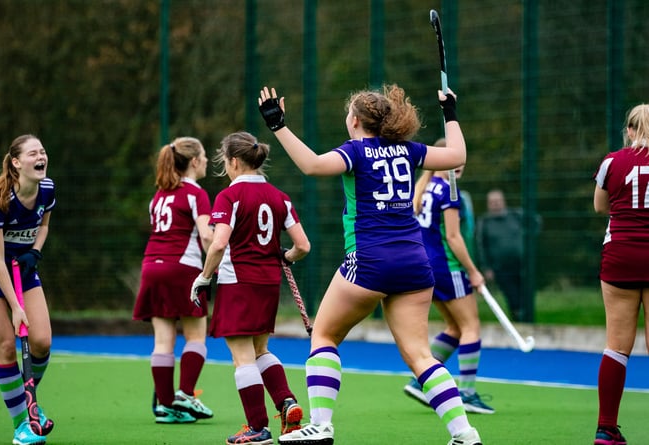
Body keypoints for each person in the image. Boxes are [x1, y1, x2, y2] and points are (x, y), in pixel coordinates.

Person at [258, 84, 483, 445]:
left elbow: (313, 166)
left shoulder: (356, 152)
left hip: (370, 262)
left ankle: (321, 426)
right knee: (421, 355)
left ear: (356, 120)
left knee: (325, 336)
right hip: (414, 265)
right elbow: (456, 155)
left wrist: (278, 126)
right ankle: (465, 434)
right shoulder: (409, 151)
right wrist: (451, 112)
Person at [189, 131, 311, 445]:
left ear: (233, 161)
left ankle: (257, 428)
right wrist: (285, 256)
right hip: (269, 283)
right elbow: (303, 246)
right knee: (261, 350)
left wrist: (204, 277)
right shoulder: (280, 196)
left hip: (237, 282)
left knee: (243, 358)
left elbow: (218, 243)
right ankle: (286, 402)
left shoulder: (228, 196)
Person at [403, 139, 494, 415]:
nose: (461, 163)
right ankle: (466, 392)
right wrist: (474, 272)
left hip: (424, 266)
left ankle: (421, 382)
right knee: (471, 328)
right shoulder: (450, 191)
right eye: (455, 156)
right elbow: (453, 238)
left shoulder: (424, 188)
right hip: (447, 267)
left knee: (454, 327)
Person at [132, 137, 215, 424]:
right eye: (203, 156)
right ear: (194, 162)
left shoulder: (159, 194)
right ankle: (186, 394)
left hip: (151, 267)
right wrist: (218, 263)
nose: (206, 160)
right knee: (195, 337)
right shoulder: (196, 193)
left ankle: (167, 406)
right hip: (183, 268)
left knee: (162, 341)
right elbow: (206, 236)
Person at [0, 135, 56, 445]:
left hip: (22, 267)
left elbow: (45, 226)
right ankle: (21, 426)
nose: (41, 156)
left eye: (43, 150)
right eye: (33, 153)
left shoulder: (47, 189)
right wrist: (16, 307)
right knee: (8, 347)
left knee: (41, 342)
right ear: (16, 162)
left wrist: (35, 251)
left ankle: (29, 402)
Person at [591, 103, 649, 445]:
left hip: (620, 257)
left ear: (629, 130)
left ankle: (606, 428)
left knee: (616, 346)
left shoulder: (612, 161)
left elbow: (601, 206)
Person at [476, 189, 535, 322]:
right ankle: (518, 320)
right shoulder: (485, 222)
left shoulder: (516, 215)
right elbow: (481, 245)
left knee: (525, 294)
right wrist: (486, 267)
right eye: (492, 202)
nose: (495, 204)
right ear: (488, 204)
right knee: (512, 296)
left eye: (498, 201)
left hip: (522, 264)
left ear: (503, 202)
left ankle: (528, 320)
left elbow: (535, 222)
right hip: (500, 267)